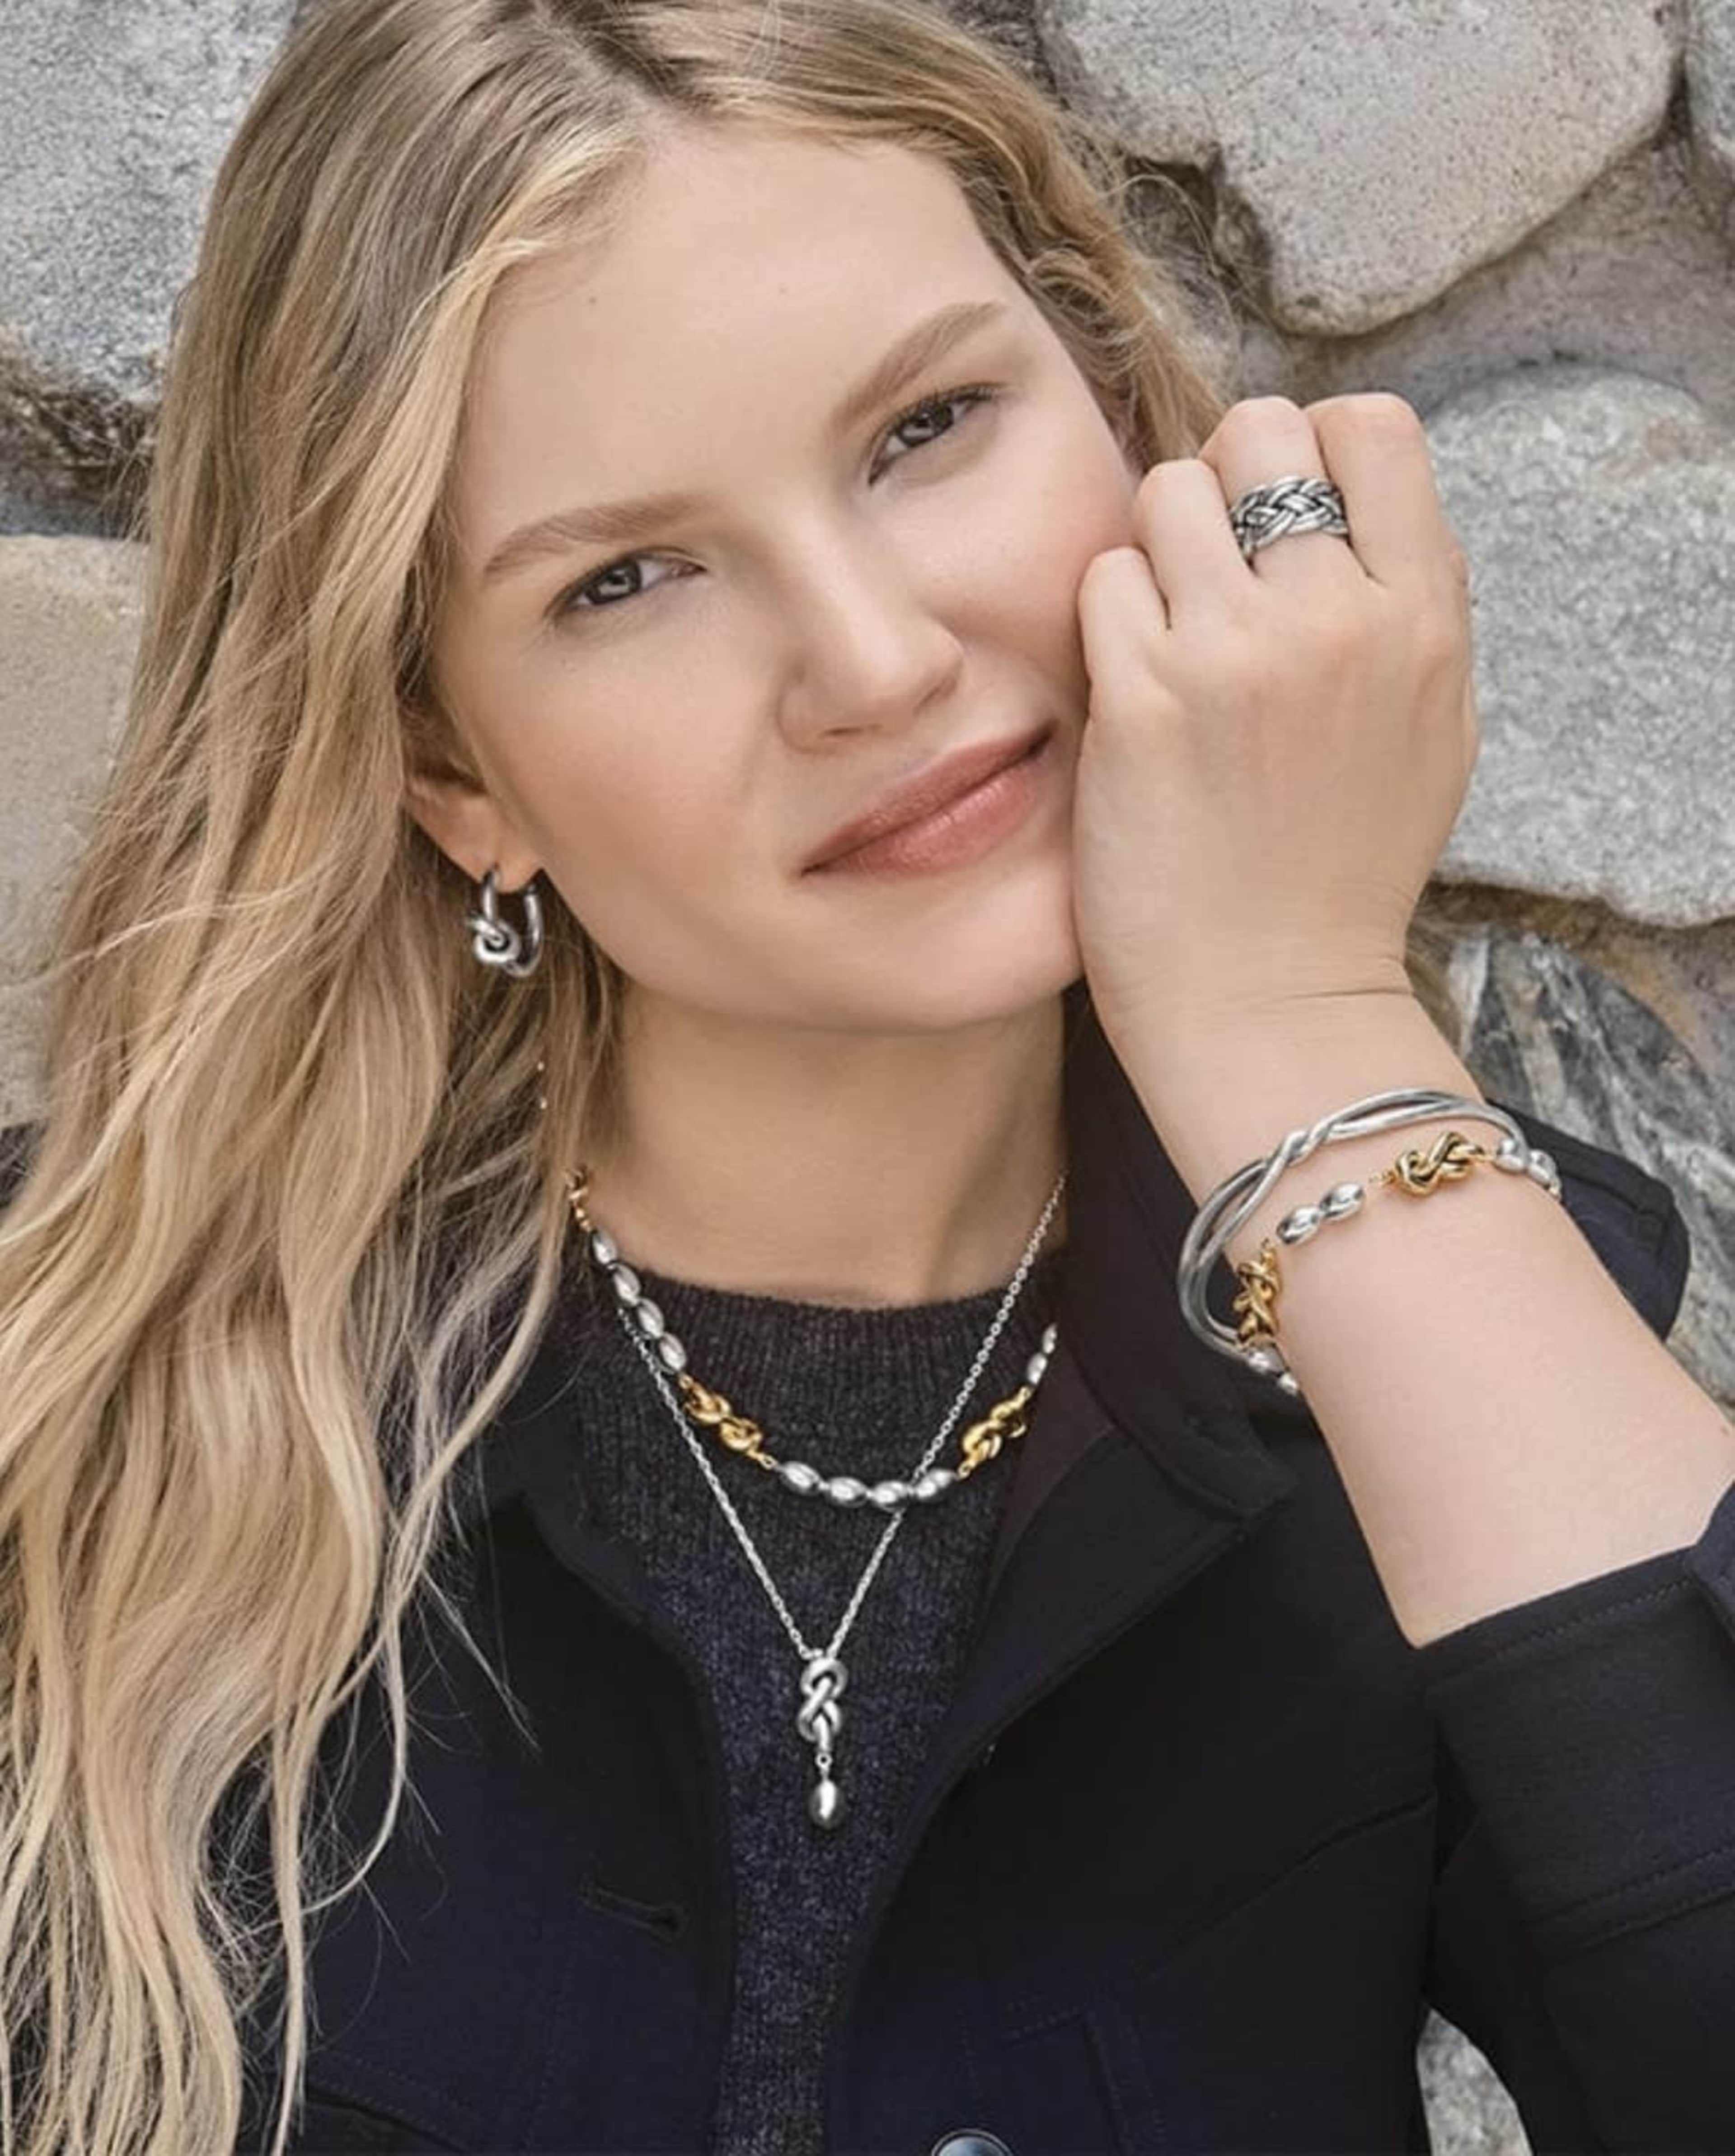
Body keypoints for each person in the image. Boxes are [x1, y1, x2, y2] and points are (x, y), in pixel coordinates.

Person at [1, 0, 1732, 2151]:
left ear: (1117, 415)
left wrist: (1301, 1028)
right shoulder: (73, 1416)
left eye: (926, 427)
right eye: (625, 577)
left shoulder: (1443, 1343)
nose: (877, 658)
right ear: (449, 764)